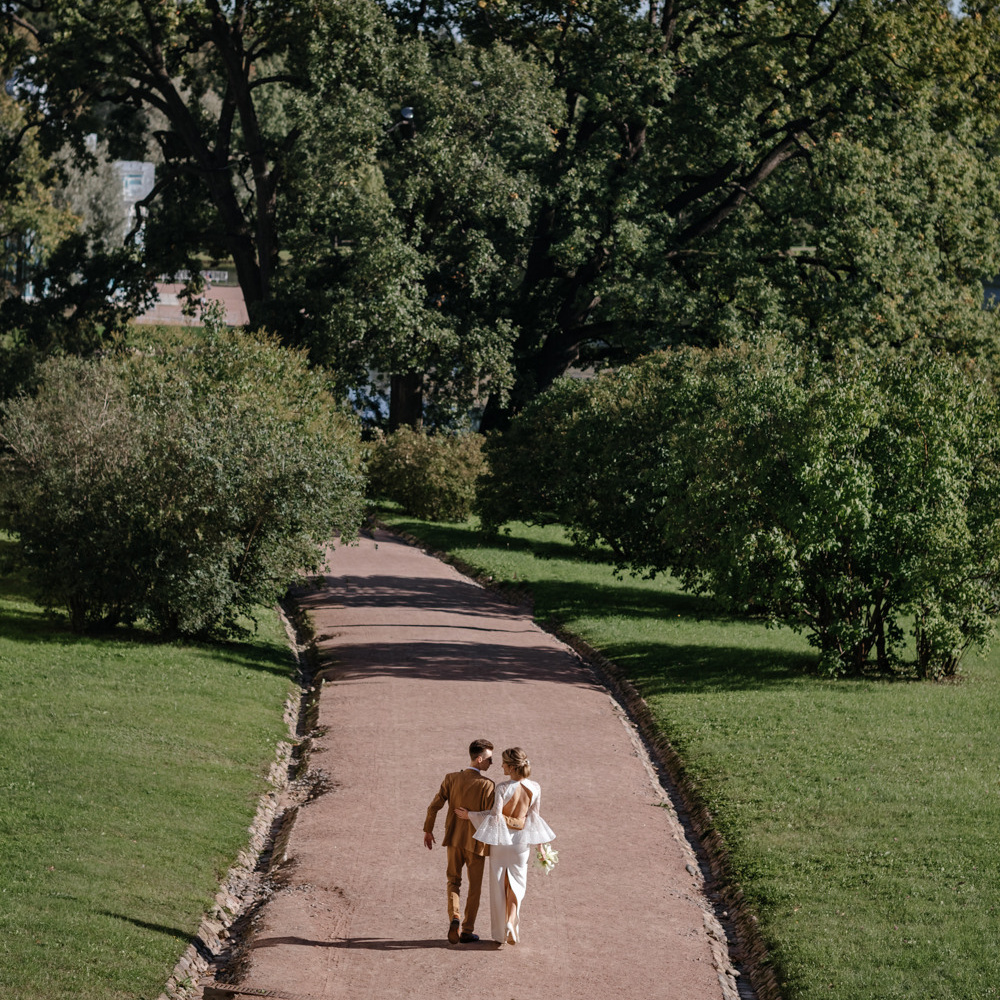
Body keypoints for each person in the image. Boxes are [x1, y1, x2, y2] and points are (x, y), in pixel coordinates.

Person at [456, 746, 556, 947]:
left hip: (501, 844)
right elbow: (534, 819)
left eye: (502, 763)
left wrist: (471, 815)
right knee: (516, 886)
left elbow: (495, 817)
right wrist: (541, 848)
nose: (500, 765)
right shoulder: (535, 787)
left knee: (500, 887)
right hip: (521, 844)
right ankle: (511, 922)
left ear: (510, 767)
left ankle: (501, 931)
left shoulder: (502, 787)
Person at [423, 738, 496, 944]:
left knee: (453, 881)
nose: (491, 763)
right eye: (489, 759)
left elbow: (433, 807)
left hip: (454, 839)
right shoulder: (488, 785)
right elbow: (492, 815)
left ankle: (454, 916)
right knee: (474, 887)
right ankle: (467, 930)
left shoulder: (451, 778)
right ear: (479, 758)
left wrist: (428, 830)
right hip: (476, 843)